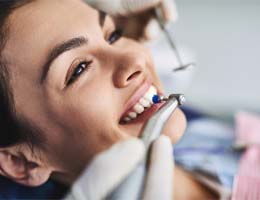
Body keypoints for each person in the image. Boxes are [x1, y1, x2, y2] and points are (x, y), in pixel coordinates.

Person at [0, 0, 228, 199]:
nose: (135, 59)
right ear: (19, 161)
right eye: (80, 69)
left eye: (113, 35)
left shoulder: (218, 135)